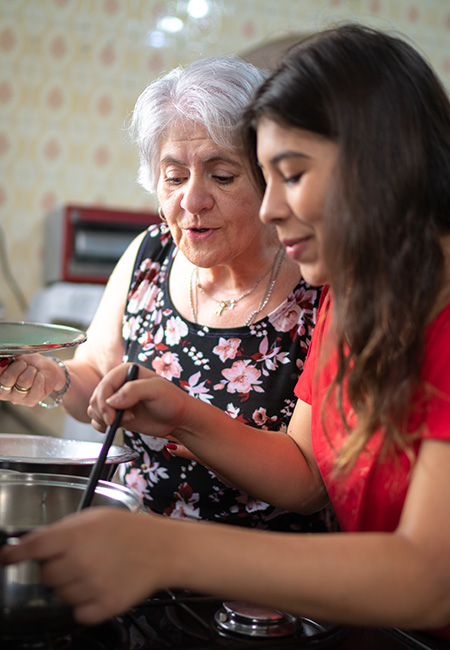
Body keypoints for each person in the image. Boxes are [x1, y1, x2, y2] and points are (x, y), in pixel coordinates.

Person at [3, 22, 450, 639]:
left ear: (378, 165)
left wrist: (163, 547)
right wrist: (58, 384)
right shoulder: (363, 300)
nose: (269, 207)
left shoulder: (347, 297)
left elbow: (421, 574)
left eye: (284, 174)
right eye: (174, 176)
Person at [0, 57, 333, 532]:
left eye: (222, 176)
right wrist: (52, 378)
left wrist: (182, 417)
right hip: (133, 547)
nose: (192, 202)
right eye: (174, 177)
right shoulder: (149, 254)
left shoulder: (318, 283)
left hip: (257, 580)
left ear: (268, 176)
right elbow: (98, 373)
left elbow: (307, 485)